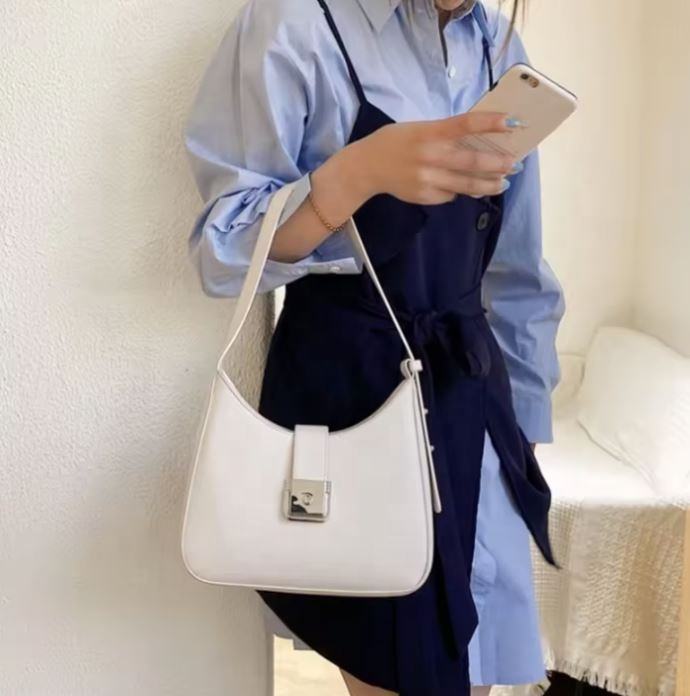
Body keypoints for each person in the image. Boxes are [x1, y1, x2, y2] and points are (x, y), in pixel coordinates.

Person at [183, 1, 566, 694]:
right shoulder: (296, 24)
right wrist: (355, 176)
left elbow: (517, 271)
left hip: (475, 407)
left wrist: (523, 433)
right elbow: (223, 250)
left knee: (477, 666)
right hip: (357, 404)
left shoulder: (499, 51)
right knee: (398, 664)